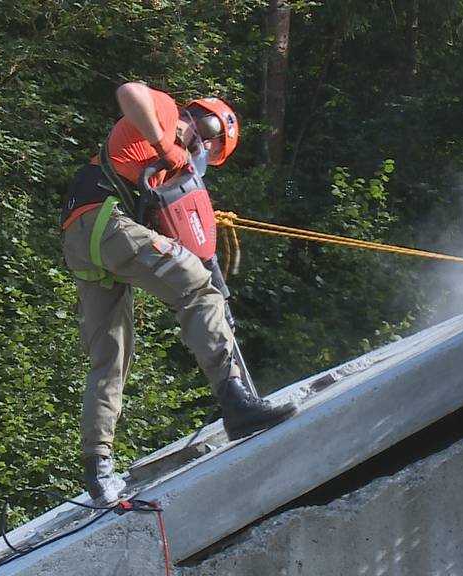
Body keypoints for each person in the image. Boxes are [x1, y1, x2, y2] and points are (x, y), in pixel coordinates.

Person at [60, 82, 296, 505]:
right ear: (208, 134)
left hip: (82, 238)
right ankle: (236, 402)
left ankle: (98, 471)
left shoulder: (158, 168)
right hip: (107, 222)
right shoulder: (167, 114)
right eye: (208, 145)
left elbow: (183, 237)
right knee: (201, 293)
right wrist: (165, 144)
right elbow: (129, 91)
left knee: (110, 356)